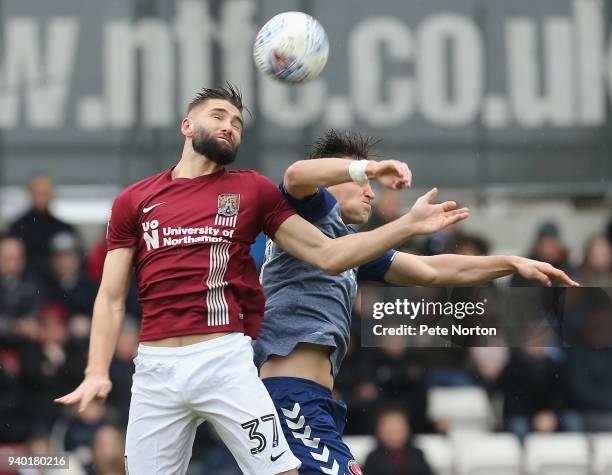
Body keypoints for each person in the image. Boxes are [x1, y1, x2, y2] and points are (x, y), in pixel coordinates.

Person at [55, 85, 469, 475]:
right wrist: (96, 371)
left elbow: (328, 253)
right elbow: (110, 297)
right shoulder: (134, 200)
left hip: (225, 361)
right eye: (218, 116)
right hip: (155, 369)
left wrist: (396, 209)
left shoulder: (251, 190)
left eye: (236, 122)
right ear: (187, 125)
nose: (228, 126)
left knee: (286, 471)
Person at [255, 129, 580, 474]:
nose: (370, 193)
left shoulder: (348, 245)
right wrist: (370, 170)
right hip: (291, 399)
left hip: (308, 402)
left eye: (371, 183)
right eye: (362, 182)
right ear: (332, 179)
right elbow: (295, 176)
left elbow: (431, 269)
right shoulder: (311, 211)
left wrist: (510, 263)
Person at [9, 174, 78, 273]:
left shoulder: (64, 229)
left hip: (57, 285)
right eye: (38, 192)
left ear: (52, 194)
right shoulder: (17, 228)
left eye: (45, 192)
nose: (41, 196)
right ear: (29, 193)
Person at [363, 405, 433, 475]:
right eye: (389, 430)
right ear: (379, 431)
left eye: (398, 429)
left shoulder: (417, 455)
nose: (393, 434)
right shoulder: (373, 459)